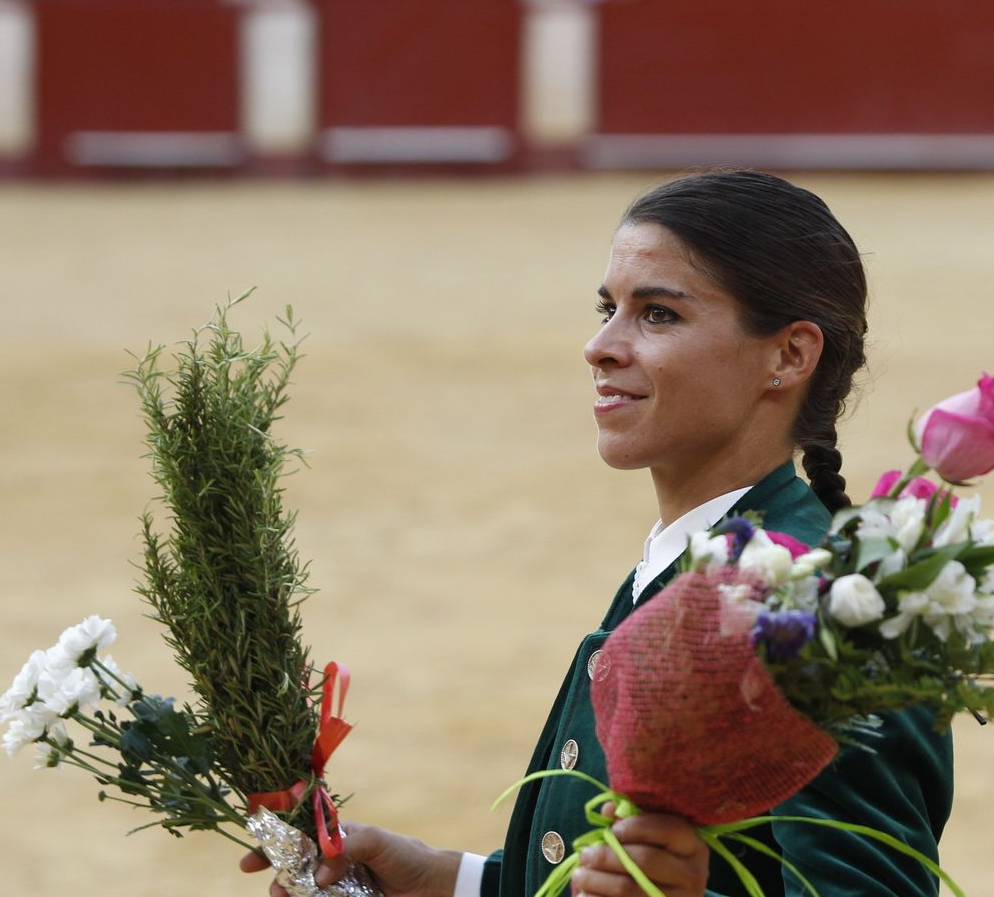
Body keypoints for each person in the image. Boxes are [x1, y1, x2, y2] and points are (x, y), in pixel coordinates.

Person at [241, 170, 954, 897]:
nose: (600, 345)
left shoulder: (830, 603)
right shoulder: (693, 556)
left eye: (658, 315)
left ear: (789, 355)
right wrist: (446, 879)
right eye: (608, 307)